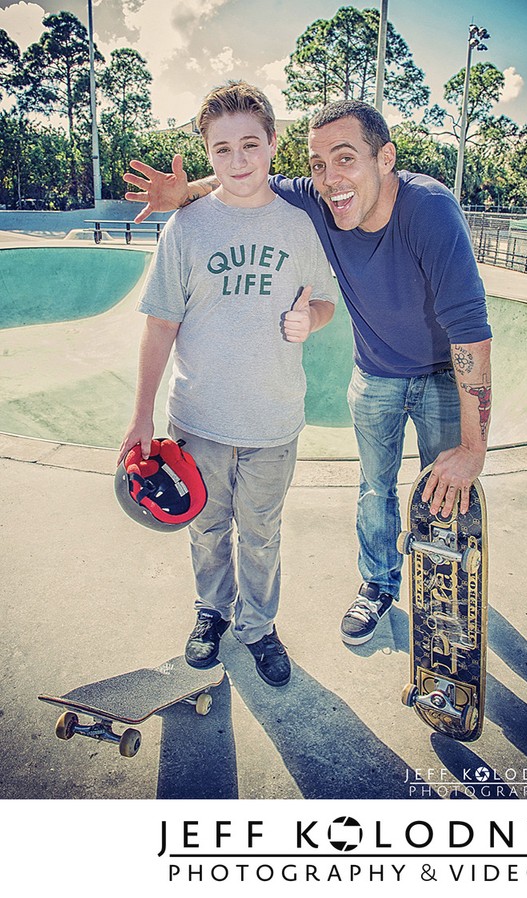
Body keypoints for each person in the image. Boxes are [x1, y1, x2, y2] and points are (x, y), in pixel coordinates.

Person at [123, 98, 492, 648]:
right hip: (364, 378)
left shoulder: (425, 209)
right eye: (318, 164)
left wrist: (473, 446)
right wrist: (185, 194)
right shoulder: (311, 201)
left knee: (445, 489)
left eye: (345, 159)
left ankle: (448, 591)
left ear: (385, 157)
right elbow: (238, 175)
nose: (330, 179)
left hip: (439, 376)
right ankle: (375, 584)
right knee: (372, 491)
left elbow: (469, 329)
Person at [118, 81, 336, 685]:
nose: (238, 162)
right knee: (208, 529)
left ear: (272, 143)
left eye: (249, 145)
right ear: (208, 156)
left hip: (273, 423)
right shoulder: (185, 229)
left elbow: (324, 303)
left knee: (261, 535)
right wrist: (141, 415)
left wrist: (308, 320)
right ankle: (211, 612)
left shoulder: (298, 226)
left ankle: (258, 626)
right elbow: (160, 324)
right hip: (199, 421)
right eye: (222, 150)